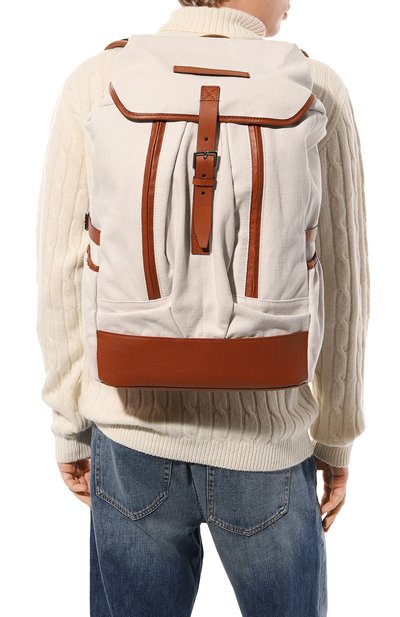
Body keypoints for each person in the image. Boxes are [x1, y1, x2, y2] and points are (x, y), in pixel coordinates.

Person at [36, 1, 370, 615]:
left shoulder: (98, 78)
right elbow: (345, 278)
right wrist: (337, 435)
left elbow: (62, 265)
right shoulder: (317, 85)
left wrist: (68, 423)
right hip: (268, 442)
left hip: (130, 437)